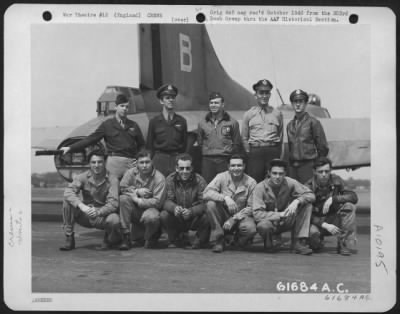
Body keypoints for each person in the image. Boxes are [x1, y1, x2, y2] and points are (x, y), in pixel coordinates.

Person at [60, 94, 145, 180]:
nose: (124, 109)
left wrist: (139, 159)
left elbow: (142, 145)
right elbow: (91, 139)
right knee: (113, 191)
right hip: (114, 164)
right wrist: (70, 148)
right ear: (116, 107)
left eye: (127, 107)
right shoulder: (107, 125)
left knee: (133, 191)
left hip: (131, 163)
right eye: (122, 106)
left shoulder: (133, 125)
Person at [250, 159, 315, 255]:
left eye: (281, 174)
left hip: (286, 220)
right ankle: (269, 242)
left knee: (307, 205)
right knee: (263, 226)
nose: (277, 177)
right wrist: (279, 214)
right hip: (269, 221)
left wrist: (297, 201)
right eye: (274, 173)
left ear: (285, 174)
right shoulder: (260, 188)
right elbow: (257, 214)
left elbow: (311, 195)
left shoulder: (290, 182)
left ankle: (299, 242)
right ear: (269, 173)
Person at [60, 150, 121, 251]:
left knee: (114, 220)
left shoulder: (113, 179)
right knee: (68, 201)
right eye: (93, 162)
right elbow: (68, 192)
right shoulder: (82, 177)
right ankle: (69, 236)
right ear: (89, 163)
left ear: (105, 163)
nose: (96, 165)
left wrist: (98, 211)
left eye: (100, 162)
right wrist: (82, 206)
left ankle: (109, 237)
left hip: (102, 216)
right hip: (86, 215)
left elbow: (113, 204)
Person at [203, 154, 257, 253]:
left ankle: (237, 240)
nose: (236, 168)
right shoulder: (221, 177)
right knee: (210, 204)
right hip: (223, 215)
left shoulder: (251, 182)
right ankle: (219, 239)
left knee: (251, 229)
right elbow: (206, 193)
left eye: (239, 165)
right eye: (233, 166)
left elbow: (252, 207)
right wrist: (225, 198)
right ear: (228, 167)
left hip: (241, 217)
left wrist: (234, 218)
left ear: (244, 166)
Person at [305, 157, 358, 256]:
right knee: (314, 242)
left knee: (349, 206)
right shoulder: (307, 187)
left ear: (330, 171)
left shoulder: (337, 180)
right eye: (320, 171)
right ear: (314, 172)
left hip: (334, 220)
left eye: (326, 171)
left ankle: (343, 243)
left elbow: (353, 197)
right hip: (317, 223)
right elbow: (305, 213)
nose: (324, 174)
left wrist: (334, 199)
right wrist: (324, 225)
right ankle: (318, 241)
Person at [118, 149, 166, 250]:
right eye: (141, 162)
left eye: (147, 162)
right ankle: (125, 236)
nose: (144, 165)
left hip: (152, 210)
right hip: (135, 210)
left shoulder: (159, 178)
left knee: (151, 218)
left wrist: (138, 200)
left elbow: (158, 202)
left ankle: (152, 235)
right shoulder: (130, 173)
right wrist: (137, 191)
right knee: (123, 199)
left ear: (152, 162)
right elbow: (122, 188)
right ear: (137, 163)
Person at [160, 153, 210, 249]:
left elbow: (205, 203)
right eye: (181, 168)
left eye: (188, 168)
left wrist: (192, 211)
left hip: (194, 217)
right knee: (164, 214)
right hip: (177, 216)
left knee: (208, 215)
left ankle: (200, 240)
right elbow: (165, 201)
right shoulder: (170, 180)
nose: (185, 171)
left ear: (192, 168)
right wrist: (174, 208)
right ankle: (173, 239)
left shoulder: (200, 181)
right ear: (176, 168)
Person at [242, 79, 283, 182]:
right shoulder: (248, 114)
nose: (264, 96)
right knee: (255, 181)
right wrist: (250, 152)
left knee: (274, 180)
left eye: (267, 93)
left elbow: (280, 135)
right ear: (256, 95)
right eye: (261, 93)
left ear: (269, 95)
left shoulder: (277, 113)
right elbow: (244, 137)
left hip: (272, 150)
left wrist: (277, 153)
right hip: (256, 152)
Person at [286, 89, 329, 183]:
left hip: (308, 166)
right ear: (292, 104)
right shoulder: (289, 125)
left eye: (301, 101)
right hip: (293, 168)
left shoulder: (313, 123)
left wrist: (317, 166)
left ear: (305, 104)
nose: (298, 104)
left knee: (308, 193)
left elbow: (322, 147)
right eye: (295, 102)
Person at [197, 91, 241, 183]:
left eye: (216, 103)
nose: (213, 105)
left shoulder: (232, 122)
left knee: (226, 186)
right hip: (208, 161)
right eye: (211, 103)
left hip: (224, 160)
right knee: (207, 187)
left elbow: (236, 143)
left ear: (223, 104)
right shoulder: (202, 123)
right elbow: (200, 142)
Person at [146, 84, 188, 177]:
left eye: (173, 97)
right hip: (160, 159)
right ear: (161, 101)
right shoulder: (154, 121)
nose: (171, 100)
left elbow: (184, 144)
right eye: (167, 98)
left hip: (176, 159)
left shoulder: (181, 121)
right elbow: (149, 145)